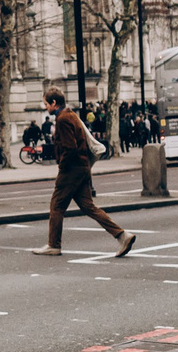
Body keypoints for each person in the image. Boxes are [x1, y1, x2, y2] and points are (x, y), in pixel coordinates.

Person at [32, 86, 136, 258]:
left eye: (46, 104)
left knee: (56, 206)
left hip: (71, 169)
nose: (46, 108)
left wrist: (62, 167)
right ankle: (122, 235)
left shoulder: (63, 119)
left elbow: (69, 147)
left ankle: (53, 244)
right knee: (88, 206)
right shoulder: (71, 115)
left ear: (53, 103)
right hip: (83, 167)